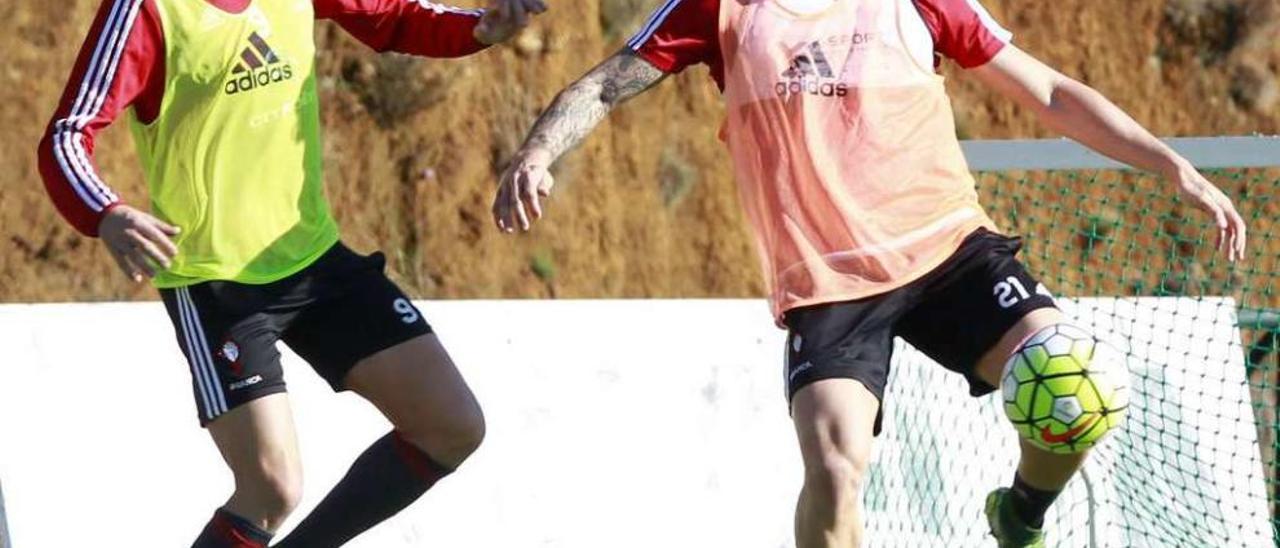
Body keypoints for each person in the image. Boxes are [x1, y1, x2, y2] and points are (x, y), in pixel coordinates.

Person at [491, 0, 1247, 546]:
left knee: (1071, 379)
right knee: (834, 465)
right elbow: (599, 84)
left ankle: (1022, 510)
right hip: (828, 280)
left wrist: (1171, 164)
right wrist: (535, 154)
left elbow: (1047, 91)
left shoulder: (920, 2)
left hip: (949, 250)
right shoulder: (721, 10)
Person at [36, 0, 546, 546]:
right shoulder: (148, 10)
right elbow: (67, 134)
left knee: (452, 426)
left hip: (314, 260)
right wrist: (105, 212)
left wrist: (477, 27)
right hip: (217, 284)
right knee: (271, 489)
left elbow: (392, 16)